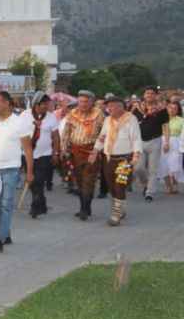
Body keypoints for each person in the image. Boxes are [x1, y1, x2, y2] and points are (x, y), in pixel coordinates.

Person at [0, 91, 34, 253]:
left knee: (6, 204)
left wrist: (29, 172)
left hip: (11, 169)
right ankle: (6, 233)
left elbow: (28, 149)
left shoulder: (20, 122)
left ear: (7, 103)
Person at [93, 96, 142, 226]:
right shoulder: (108, 120)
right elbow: (102, 137)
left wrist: (136, 154)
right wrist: (95, 150)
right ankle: (121, 208)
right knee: (112, 187)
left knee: (120, 185)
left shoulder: (131, 119)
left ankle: (116, 214)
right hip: (109, 158)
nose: (109, 108)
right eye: (108, 106)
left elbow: (136, 138)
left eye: (112, 106)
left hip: (124, 159)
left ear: (121, 107)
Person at [62, 91, 105, 220]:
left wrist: (98, 149)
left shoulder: (98, 114)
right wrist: (64, 149)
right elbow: (66, 133)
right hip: (75, 151)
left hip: (92, 151)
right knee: (79, 181)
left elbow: (104, 134)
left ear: (92, 102)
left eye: (86, 102)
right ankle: (84, 206)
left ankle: (84, 209)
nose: (83, 104)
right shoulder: (72, 114)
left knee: (89, 180)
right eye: (81, 101)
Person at [19, 92, 60, 219]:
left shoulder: (51, 117)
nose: (47, 107)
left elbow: (56, 137)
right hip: (26, 154)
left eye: (48, 104)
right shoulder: (24, 115)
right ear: (37, 104)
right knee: (31, 181)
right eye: (45, 104)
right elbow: (18, 133)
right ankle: (42, 204)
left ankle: (35, 207)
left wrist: (55, 152)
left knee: (39, 180)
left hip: (45, 154)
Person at [132, 86, 169, 202]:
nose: (149, 95)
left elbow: (166, 126)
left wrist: (166, 141)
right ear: (144, 95)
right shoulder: (136, 108)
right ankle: (146, 184)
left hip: (155, 141)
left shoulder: (162, 109)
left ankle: (150, 193)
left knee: (153, 169)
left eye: (152, 93)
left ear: (156, 95)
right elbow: (130, 124)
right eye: (147, 93)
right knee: (138, 168)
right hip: (139, 142)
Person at [159, 100, 182, 194]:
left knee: (175, 165)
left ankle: (174, 180)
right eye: (170, 108)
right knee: (163, 166)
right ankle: (169, 187)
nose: (172, 110)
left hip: (176, 143)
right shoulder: (161, 119)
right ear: (167, 109)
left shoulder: (181, 120)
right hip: (161, 142)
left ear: (178, 110)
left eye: (175, 108)